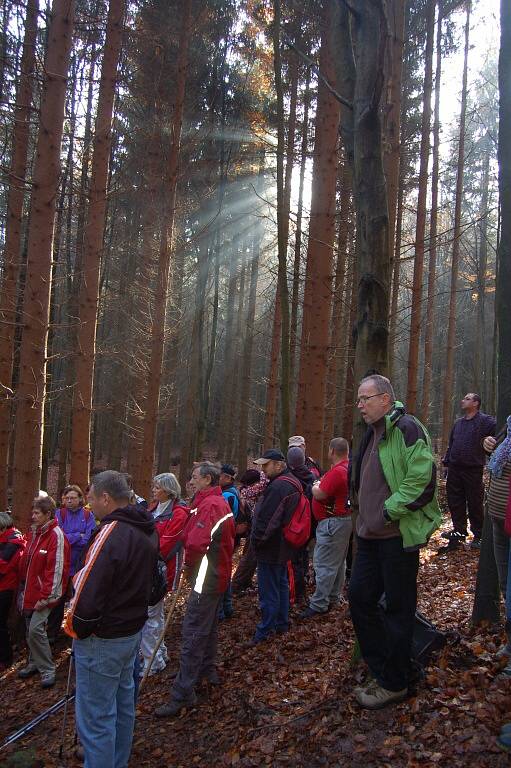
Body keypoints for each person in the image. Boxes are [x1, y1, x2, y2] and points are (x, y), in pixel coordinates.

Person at [349, 374, 441, 709]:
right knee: (360, 599)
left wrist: (388, 511)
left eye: (365, 398)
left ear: (386, 398)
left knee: (398, 610)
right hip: (369, 537)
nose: (360, 405)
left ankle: (394, 681)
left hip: (396, 537)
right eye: (358, 399)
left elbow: (422, 478)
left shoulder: (406, 428)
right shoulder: (370, 434)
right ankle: (387, 669)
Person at [64, 470, 158, 768]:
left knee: (96, 719)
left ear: (106, 498)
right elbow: (156, 584)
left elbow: (86, 586)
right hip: (129, 633)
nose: (88, 505)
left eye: (90, 499)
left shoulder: (112, 532)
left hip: (103, 638)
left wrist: (76, 625)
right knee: (121, 706)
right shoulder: (145, 528)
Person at [155, 462, 235, 717]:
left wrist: (187, 561)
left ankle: (182, 693)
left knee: (193, 630)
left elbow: (197, 541)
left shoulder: (212, 505)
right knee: (207, 626)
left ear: (208, 480)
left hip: (206, 575)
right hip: (214, 574)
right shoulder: (205, 502)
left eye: (195, 477)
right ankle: (207, 671)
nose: (191, 481)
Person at [249, 449, 302, 645]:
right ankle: (281, 623)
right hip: (283, 544)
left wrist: (256, 542)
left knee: (269, 589)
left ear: (279, 465)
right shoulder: (291, 482)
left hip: (272, 546)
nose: (263, 469)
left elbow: (268, 520)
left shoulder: (279, 487)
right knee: (280, 584)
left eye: (266, 465)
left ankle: (265, 630)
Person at [139, 473, 189, 677]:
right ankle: (159, 653)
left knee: (150, 615)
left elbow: (167, 543)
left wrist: (145, 553)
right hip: (147, 568)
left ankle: (152, 661)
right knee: (155, 614)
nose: (153, 490)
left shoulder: (178, 513)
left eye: (157, 487)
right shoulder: (152, 509)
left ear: (168, 490)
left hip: (161, 571)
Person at [18, 495, 70, 688]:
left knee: (36, 630)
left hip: (44, 594)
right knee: (29, 629)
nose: (33, 516)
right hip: (29, 591)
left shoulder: (55, 535)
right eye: (32, 512)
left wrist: (47, 597)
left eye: (37, 513)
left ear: (48, 514)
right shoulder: (34, 533)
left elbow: (56, 570)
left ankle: (48, 669)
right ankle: (33, 662)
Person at [300, 438, 352, 618]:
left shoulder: (338, 472)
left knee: (323, 564)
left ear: (332, 451)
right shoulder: (348, 468)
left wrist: (315, 486)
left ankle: (319, 603)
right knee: (337, 563)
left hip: (332, 523)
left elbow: (320, 493)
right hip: (341, 521)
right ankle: (332, 598)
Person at [441, 393, 496, 551]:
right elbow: (452, 444)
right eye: (463, 398)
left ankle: (479, 536)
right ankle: (459, 532)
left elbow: (499, 432)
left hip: (473, 469)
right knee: (455, 502)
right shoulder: (458, 423)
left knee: (475, 503)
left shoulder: (486, 421)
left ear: (476, 403)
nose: (462, 400)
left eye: (467, 398)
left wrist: (488, 443)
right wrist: (446, 463)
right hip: (455, 469)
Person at [48, 484, 96, 642]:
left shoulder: (88, 515)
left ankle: (76, 631)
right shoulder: (59, 514)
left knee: (77, 598)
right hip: (61, 563)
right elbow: (59, 538)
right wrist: (78, 536)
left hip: (80, 565)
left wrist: (72, 537)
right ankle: (52, 633)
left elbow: (89, 538)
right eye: (66, 498)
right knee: (58, 600)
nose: (69, 500)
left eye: (73, 497)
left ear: (80, 499)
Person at [483, 418, 511, 657]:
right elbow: (493, 467)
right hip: (498, 519)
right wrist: (488, 445)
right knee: (504, 584)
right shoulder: (507, 430)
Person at [231, 470, 268, 595]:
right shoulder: (253, 490)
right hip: (256, 527)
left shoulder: (246, 491)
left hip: (254, 527)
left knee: (249, 557)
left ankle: (243, 582)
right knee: (249, 558)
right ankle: (236, 584)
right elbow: (264, 482)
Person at [287, 447, 314, 605]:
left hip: (295, 524)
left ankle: (296, 593)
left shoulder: (291, 479)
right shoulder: (311, 476)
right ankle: (301, 590)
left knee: (294, 561)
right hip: (308, 523)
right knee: (302, 557)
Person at [0, 511, 25, 671]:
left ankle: (5, 658)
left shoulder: (12, 543)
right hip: (5, 587)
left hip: (5, 589)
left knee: (0, 624)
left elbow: (2, 567)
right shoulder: (7, 540)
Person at [219, 464, 240, 619]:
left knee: (220, 575)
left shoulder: (227, 496)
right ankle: (227, 607)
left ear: (227, 477)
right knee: (224, 574)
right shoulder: (232, 492)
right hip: (230, 538)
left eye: (219, 476)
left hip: (224, 540)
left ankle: (221, 610)